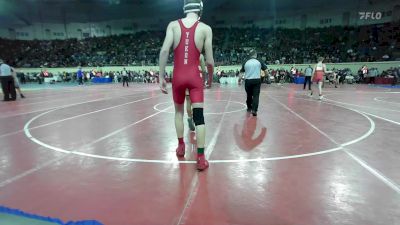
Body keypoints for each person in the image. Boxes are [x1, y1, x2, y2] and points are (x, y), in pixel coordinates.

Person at [158, 0, 214, 171]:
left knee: (178, 112)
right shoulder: (205, 29)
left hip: (178, 76)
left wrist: (161, 76)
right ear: (200, 10)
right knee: (199, 117)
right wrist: (209, 78)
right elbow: (210, 61)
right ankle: (201, 158)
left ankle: (181, 146)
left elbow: (164, 51)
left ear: (184, 8)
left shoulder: (173, 25)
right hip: (195, 78)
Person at [240, 49, 267, 116]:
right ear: (255, 54)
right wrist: (265, 76)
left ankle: (249, 107)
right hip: (257, 80)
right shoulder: (259, 61)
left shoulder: (245, 61)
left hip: (248, 81)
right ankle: (254, 110)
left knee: (249, 95)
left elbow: (241, 72)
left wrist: (240, 79)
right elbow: (266, 71)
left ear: (249, 55)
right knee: (256, 95)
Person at [186, 54, 207, 132]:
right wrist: (204, 80)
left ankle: (189, 117)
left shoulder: (186, 54)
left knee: (188, 101)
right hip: (196, 78)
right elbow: (204, 70)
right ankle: (196, 119)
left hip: (186, 78)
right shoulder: (200, 55)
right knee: (196, 102)